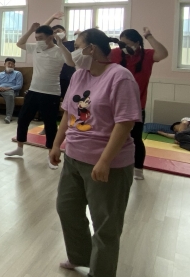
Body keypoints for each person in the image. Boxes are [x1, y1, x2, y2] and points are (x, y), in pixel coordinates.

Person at [49, 28, 141, 277]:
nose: (74, 52)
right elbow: (68, 113)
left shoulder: (120, 77)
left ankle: (100, 272)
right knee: (66, 209)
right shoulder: (79, 75)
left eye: (78, 47)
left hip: (108, 164)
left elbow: (125, 123)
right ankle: (80, 257)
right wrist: (57, 144)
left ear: (92, 49)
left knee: (106, 224)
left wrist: (104, 160)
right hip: (74, 157)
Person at [5, 23, 75, 168]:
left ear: (50, 37)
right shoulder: (36, 47)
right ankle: (19, 148)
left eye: (41, 38)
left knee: (50, 125)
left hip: (51, 93)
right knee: (23, 119)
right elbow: (19, 43)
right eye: (36, 38)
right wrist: (31, 30)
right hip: (33, 91)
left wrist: (61, 44)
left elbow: (71, 62)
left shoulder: (59, 50)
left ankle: (51, 155)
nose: (38, 41)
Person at [110, 27, 168, 180]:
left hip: (137, 106)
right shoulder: (116, 53)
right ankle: (112, 164)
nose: (124, 47)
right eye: (122, 44)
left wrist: (149, 36)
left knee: (136, 139)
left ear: (136, 43)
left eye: (127, 44)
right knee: (112, 137)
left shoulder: (147, 55)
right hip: (114, 105)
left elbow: (163, 53)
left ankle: (138, 169)